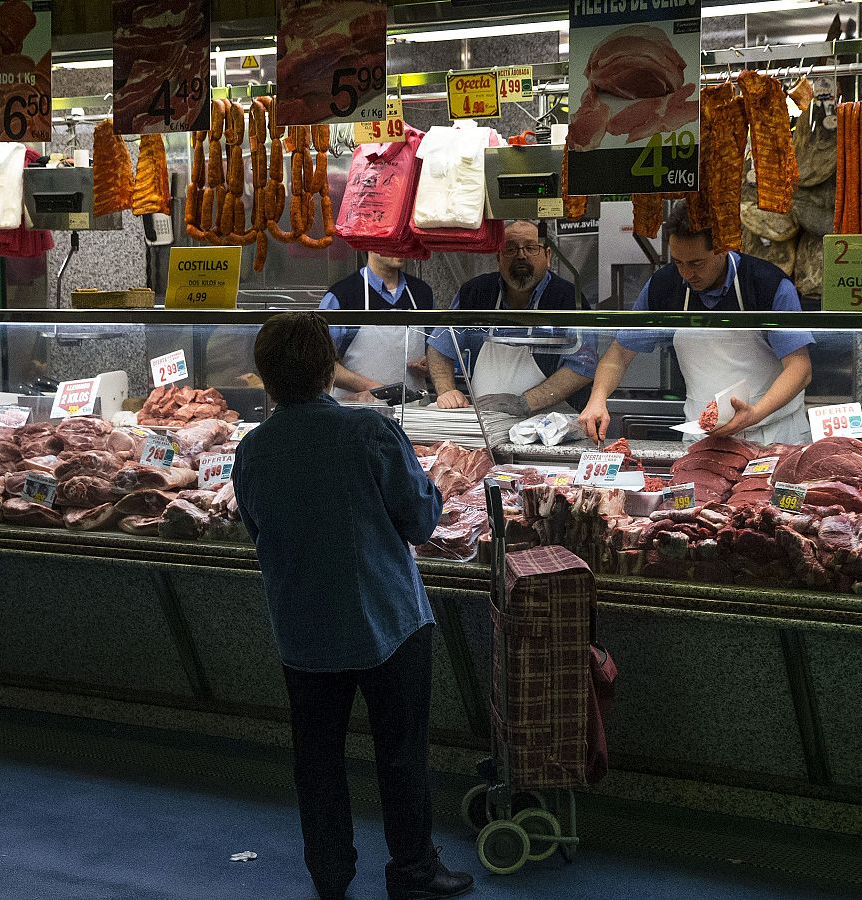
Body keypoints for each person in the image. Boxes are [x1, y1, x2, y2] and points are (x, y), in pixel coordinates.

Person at [231, 312, 475, 900]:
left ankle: (330, 875)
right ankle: (413, 872)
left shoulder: (253, 449)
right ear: (327, 372)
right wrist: (436, 487)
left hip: (303, 629)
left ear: (266, 378)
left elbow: (258, 531)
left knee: (316, 760)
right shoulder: (370, 431)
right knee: (400, 754)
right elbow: (420, 522)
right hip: (388, 622)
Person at [578, 200, 814, 444]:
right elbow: (619, 353)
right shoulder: (664, 286)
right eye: (678, 262)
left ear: (723, 248)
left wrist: (754, 414)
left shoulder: (767, 285)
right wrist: (598, 398)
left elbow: (800, 368)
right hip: (702, 437)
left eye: (696, 263)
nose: (686, 274)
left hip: (773, 434)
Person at [425, 220, 596, 416]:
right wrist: (447, 391)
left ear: (548, 256)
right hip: (486, 421)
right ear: (498, 257)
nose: (521, 255)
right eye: (510, 249)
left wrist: (525, 402)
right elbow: (440, 347)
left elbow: (583, 365)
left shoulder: (568, 297)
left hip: (550, 424)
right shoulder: (475, 292)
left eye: (531, 248)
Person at [320, 252, 435, 402]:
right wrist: (374, 388)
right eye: (391, 243)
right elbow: (322, 363)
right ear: (370, 245)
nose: (400, 248)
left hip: (414, 408)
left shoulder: (422, 293)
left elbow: (435, 348)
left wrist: (430, 364)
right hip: (357, 409)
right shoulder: (342, 296)